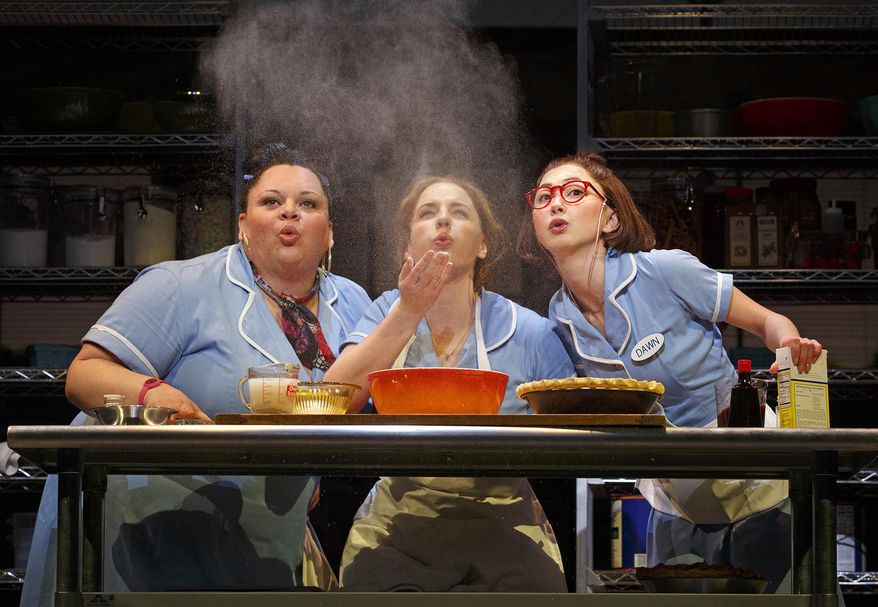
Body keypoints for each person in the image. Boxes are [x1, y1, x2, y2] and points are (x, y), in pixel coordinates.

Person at [21, 143, 371, 605]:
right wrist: (155, 394)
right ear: (243, 226)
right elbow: (85, 375)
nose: (290, 212)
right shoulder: (181, 285)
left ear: (329, 234)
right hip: (147, 528)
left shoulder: (353, 304)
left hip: (258, 534)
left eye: (308, 203)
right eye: (271, 201)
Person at [518, 151, 823, 592]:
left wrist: (790, 345)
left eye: (574, 192)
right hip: (672, 499)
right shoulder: (559, 316)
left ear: (610, 218)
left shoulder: (663, 270)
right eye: (544, 197)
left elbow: (766, 322)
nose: (556, 204)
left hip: (755, 485)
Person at [323, 176, 574, 592]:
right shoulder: (386, 312)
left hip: (507, 531)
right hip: (396, 533)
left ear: (483, 244)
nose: (443, 220)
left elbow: (574, 435)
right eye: (428, 213)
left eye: (459, 212)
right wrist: (408, 311)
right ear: (407, 247)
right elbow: (332, 401)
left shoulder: (529, 331)